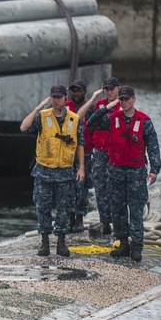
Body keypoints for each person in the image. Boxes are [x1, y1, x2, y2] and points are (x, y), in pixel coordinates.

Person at [86, 86, 161, 262]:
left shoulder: (144, 121)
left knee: (135, 211)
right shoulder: (112, 119)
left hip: (136, 173)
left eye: (127, 99)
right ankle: (122, 243)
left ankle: (136, 246)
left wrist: (154, 170)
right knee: (118, 211)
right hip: (116, 173)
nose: (125, 102)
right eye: (122, 99)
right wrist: (105, 107)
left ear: (134, 99)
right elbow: (91, 123)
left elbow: (153, 147)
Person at [20, 84, 85, 257]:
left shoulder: (74, 119)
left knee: (64, 209)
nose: (56, 100)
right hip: (44, 171)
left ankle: (61, 242)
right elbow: (23, 127)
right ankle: (45, 242)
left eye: (59, 97)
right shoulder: (42, 117)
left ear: (65, 98)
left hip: (65, 172)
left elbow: (80, 144)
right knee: (43, 208)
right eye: (54, 97)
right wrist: (37, 108)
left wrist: (81, 168)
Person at [78, 76, 122, 236]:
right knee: (100, 188)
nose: (110, 92)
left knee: (116, 189)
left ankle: (119, 223)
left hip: (116, 154)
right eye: (107, 89)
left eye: (112, 88)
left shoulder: (123, 105)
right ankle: (105, 221)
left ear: (118, 88)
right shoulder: (99, 106)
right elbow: (84, 123)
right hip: (100, 152)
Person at [67, 79, 91, 233]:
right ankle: (69, 217)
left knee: (81, 187)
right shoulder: (65, 106)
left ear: (84, 92)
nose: (76, 93)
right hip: (67, 153)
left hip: (86, 152)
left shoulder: (90, 107)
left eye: (79, 90)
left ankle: (80, 217)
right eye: (73, 90)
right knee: (68, 186)